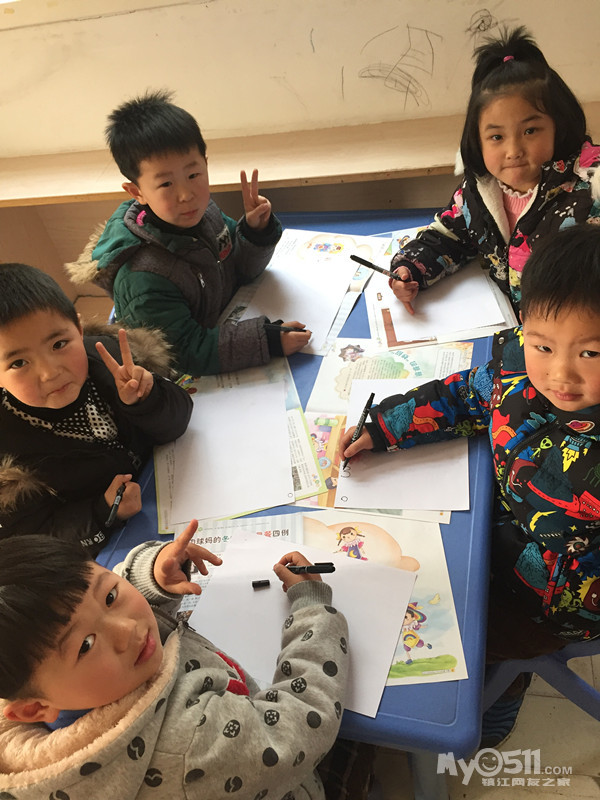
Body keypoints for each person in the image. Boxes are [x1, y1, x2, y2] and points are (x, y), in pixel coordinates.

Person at [341, 224, 600, 744]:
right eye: (543, 345)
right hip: (491, 532)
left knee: (453, 642)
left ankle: (503, 692)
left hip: (550, 606)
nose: (561, 374)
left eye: (590, 353)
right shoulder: (517, 365)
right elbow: (466, 395)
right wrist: (384, 426)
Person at [0, 523, 349, 800]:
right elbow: (300, 725)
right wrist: (312, 609)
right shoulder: (189, 745)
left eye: (110, 597)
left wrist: (155, 575)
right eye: (85, 646)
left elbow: (109, 587)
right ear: (33, 709)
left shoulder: (29, 675)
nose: (128, 629)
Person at [65, 89, 311, 377]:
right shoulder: (143, 276)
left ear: (206, 164)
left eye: (193, 175)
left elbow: (241, 270)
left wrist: (255, 233)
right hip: (188, 374)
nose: (186, 195)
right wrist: (266, 341)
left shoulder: (205, 214)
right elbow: (184, 351)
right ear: (136, 192)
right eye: (166, 184)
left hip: (227, 324)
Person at [389, 26, 600, 315]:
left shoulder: (590, 194)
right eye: (497, 137)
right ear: (477, 140)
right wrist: (410, 268)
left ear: (559, 126)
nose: (513, 150)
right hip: (507, 319)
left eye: (530, 130)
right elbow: (449, 236)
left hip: (567, 331)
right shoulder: (478, 190)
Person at [0, 262, 193, 556]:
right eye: (18, 363)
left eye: (59, 344)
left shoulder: (109, 359)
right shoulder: (8, 453)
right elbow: (36, 537)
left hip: (179, 486)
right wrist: (103, 511)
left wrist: (147, 399)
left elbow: (178, 422)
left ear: (79, 329)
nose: (50, 373)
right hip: (120, 545)